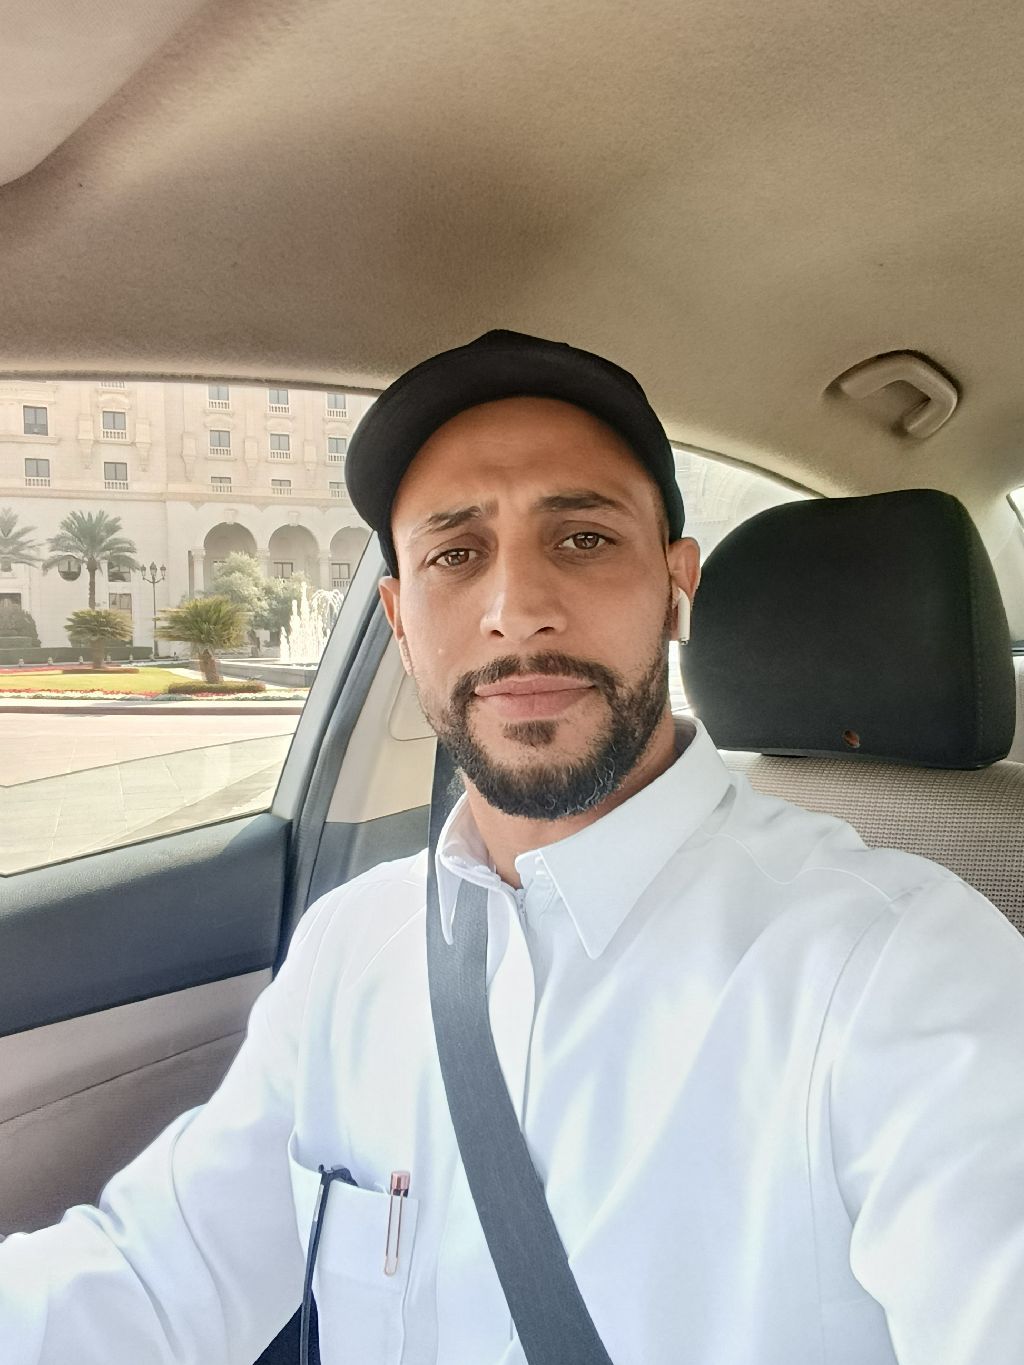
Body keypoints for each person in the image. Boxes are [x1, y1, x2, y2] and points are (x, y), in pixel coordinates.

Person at [2, 330, 1023, 1365]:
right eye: (455, 555)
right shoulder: (351, 946)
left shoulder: (904, 968)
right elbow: (155, 1278)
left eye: (582, 538)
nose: (517, 611)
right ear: (400, 618)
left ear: (676, 585)